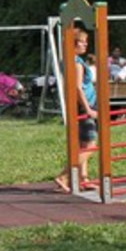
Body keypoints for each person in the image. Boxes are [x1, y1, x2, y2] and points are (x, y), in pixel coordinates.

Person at [55, 27, 97, 192]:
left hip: (76, 105)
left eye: (86, 42)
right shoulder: (77, 63)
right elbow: (78, 87)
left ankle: (83, 179)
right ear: (73, 44)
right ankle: (64, 176)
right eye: (82, 42)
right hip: (83, 106)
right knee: (91, 145)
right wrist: (88, 109)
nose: (85, 45)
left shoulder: (67, 60)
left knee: (83, 144)